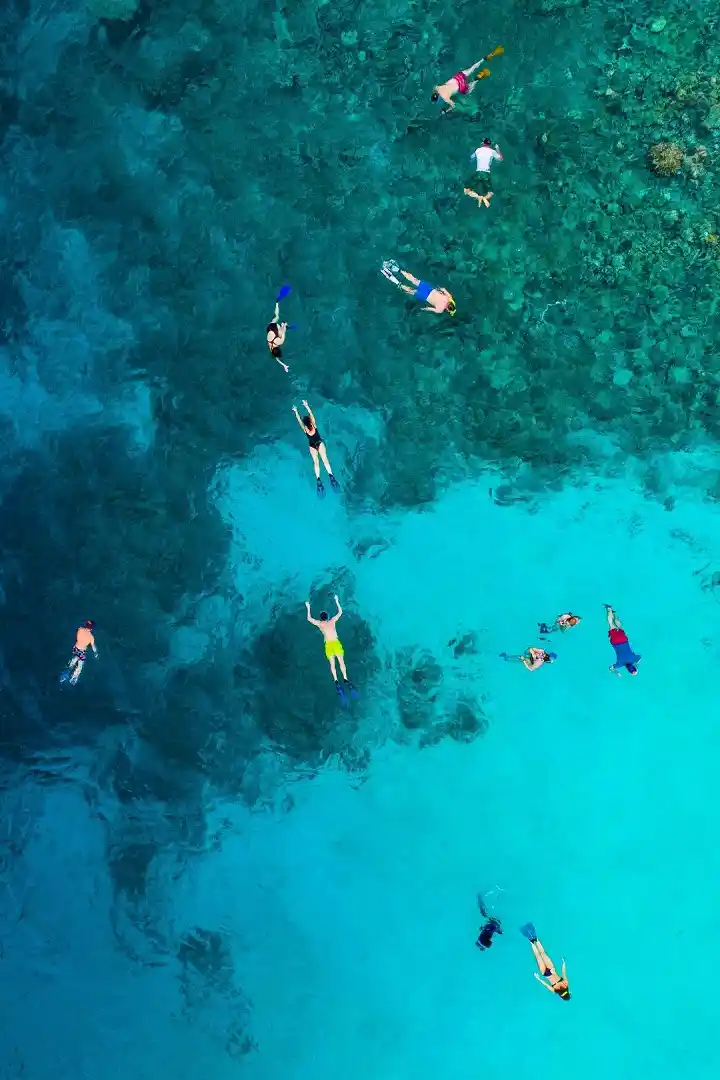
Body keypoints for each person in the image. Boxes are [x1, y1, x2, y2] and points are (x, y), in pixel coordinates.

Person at [305, 595, 356, 698]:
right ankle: (345, 679)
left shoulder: (320, 624)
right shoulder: (332, 621)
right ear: (327, 617)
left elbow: (309, 618)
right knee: (341, 662)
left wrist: (308, 607)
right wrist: (337, 600)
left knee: (332, 665)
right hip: (336, 643)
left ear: (321, 618)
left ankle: (336, 681)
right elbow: (340, 612)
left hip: (328, 645)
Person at [431, 47, 504, 113]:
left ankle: (477, 78)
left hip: (460, 86)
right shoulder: (437, 88)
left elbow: (453, 106)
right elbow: (434, 87)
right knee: (472, 68)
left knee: (468, 91)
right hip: (458, 77)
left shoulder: (446, 99)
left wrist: (446, 110)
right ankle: (485, 58)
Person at [292, 399, 339, 498]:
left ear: (305, 424)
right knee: (325, 459)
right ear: (310, 421)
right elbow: (311, 414)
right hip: (319, 443)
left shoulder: (305, 429)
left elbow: (299, 421)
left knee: (316, 462)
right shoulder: (314, 425)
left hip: (312, 445)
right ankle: (330, 475)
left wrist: (296, 412)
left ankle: (318, 479)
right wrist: (306, 405)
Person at [520, 924, 571, 1000]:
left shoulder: (565, 984)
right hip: (546, 974)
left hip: (551, 970)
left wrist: (564, 963)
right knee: (538, 956)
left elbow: (564, 972)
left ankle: (536, 940)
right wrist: (538, 978)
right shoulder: (555, 991)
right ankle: (531, 941)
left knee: (543, 954)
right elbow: (546, 985)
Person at [381, 263, 456, 315]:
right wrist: (422, 309)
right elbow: (428, 308)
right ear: (447, 309)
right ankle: (398, 283)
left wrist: (438, 290)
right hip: (425, 296)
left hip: (429, 289)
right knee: (411, 291)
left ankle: (399, 270)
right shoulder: (440, 310)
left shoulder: (449, 297)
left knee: (414, 280)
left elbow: (443, 289)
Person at [605, 604, 641, 676]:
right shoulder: (619, 664)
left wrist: (637, 664)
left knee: (620, 627)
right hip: (615, 642)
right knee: (611, 624)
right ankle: (609, 609)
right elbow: (610, 668)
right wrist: (616, 672)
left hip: (624, 640)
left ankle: (614, 614)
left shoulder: (634, 659)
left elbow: (640, 657)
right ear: (627, 670)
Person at [468, 138, 503, 202]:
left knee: (467, 190)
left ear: (483, 143)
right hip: (486, 174)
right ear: (490, 144)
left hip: (478, 173)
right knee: (490, 193)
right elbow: (501, 159)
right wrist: (497, 148)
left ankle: (478, 197)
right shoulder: (492, 151)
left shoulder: (478, 150)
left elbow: (471, 158)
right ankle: (484, 198)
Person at [65, 621, 98, 686]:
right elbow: (93, 647)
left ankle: (69, 668)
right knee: (80, 666)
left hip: (75, 649)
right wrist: (96, 653)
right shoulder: (91, 637)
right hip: (81, 652)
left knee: (75, 657)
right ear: (91, 629)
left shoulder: (80, 629)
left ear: (86, 625)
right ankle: (73, 679)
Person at [266, 299, 289, 372]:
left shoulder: (280, 342)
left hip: (276, 329)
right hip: (269, 327)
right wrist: (284, 365)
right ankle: (276, 303)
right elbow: (276, 358)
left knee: (281, 331)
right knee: (276, 318)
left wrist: (284, 326)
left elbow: (283, 332)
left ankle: (282, 324)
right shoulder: (271, 348)